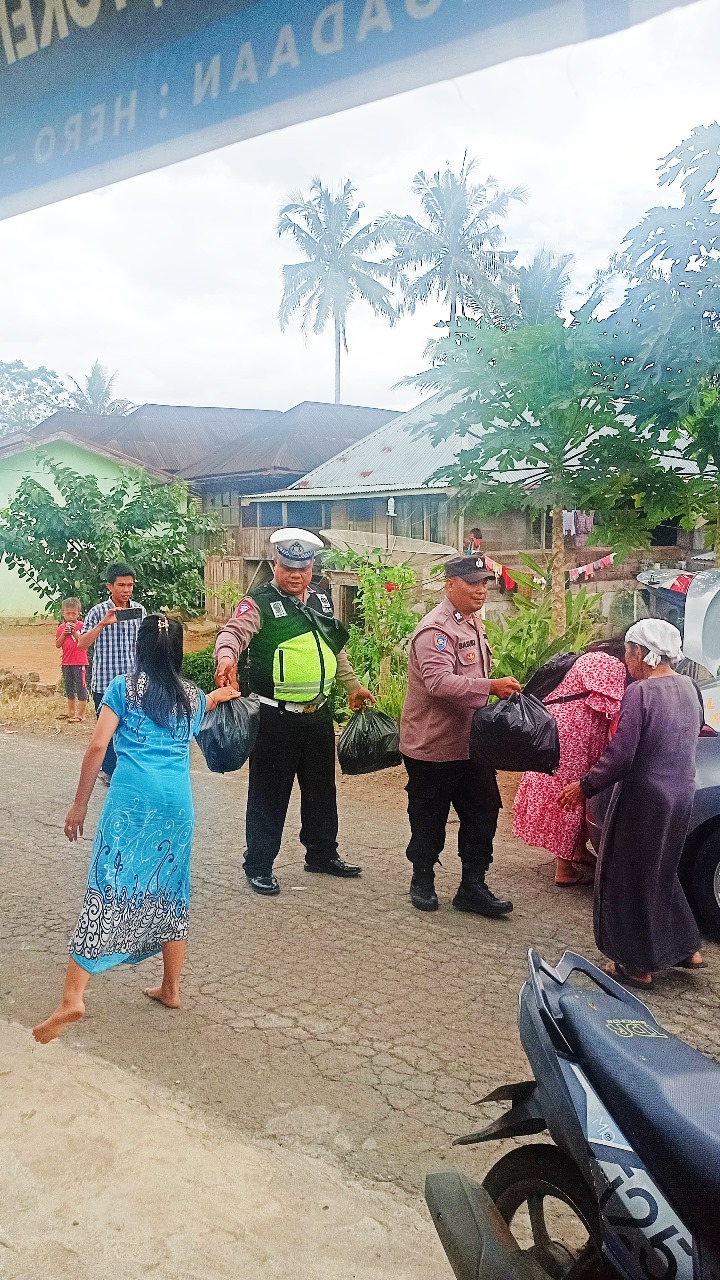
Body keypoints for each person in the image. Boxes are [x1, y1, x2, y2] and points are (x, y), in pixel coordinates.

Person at [32, 616, 240, 1044]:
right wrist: (220, 694)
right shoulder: (190, 695)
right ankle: (171, 989)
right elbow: (203, 706)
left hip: (131, 802)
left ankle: (73, 997)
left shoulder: (122, 689)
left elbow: (97, 745)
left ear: (139, 649)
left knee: (107, 886)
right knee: (172, 889)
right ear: (177, 652)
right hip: (176, 805)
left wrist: (79, 805)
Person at [214, 528, 375, 896]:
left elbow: (335, 647)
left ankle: (321, 854)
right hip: (275, 719)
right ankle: (259, 865)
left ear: (312, 567)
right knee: (268, 794)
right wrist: (226, 657)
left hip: (318, 714)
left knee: (321, 789)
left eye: (302, 568)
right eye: (288, 568)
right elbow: (232, 633)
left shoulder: (321, 600)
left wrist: (353, 686)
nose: (295, 575)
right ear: (276, 565)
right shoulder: (257, 603)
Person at [559, 619, 703, 988]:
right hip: (681, 795)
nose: (626, 659)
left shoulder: (640, 693)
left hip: (644, 800)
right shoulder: (690, 687)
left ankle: (636, 965)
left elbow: (621, 756)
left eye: (627, 651)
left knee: (625, 876)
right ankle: (686, 948)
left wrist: (585, 786)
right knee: (660, 868)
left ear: (640, 652)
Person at [400, 555, 521, 916]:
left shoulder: (472, 623)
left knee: (484, 811)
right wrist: (491, 687)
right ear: (450, 584)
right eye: (472, 583)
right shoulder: (435, 630)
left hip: (472, 743)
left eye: (484, 583)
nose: (480, 590)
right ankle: (422, 877)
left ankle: (472, 886)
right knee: (429, 816)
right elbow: (438, 682)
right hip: (433, 744)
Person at [512, 638, 627, 885]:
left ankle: (577, 850)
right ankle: (564, 869)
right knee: (571, 794)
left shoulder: (595, 658)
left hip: (571, 733)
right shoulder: (605, 661)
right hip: (572, 736)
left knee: (580, 793)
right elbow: (615, 702)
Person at [78, 563, 146, 784]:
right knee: (106, 733)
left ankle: (128, 771)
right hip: (105, 683)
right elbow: (82, 644)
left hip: (134, 682)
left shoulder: (139, 610)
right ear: (109, 586)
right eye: (121, 585)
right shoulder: (98, 612)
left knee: (134, 729)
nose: (126, 590)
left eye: (130, 585)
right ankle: (108, 772)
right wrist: (103, 624)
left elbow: (144, 645)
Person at [55, 597, 90, 723]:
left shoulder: (82, 626)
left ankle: (80, 714)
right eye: (67, 613)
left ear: (78, 613)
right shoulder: (61, 628)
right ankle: (70, 712)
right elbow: (58, 644)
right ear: (63, 613)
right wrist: (64, 633)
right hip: (66, 662)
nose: (70, 616)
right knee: (69, 688)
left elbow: (84, 642)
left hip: (80, 662)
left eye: (73, 613)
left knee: (81, 688)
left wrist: (74, 632)